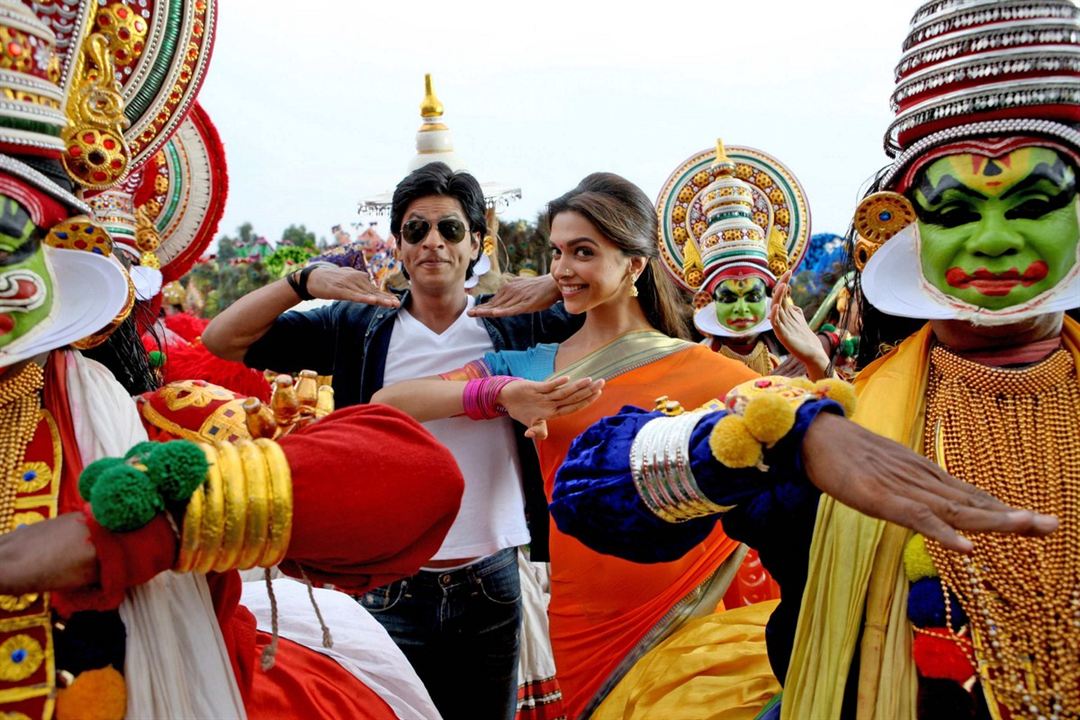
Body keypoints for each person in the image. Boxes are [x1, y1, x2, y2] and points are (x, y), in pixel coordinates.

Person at [542, 2, 1079, 718]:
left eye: (1034, 202)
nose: (993, 240)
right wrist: (788, 435)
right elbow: (585, 494)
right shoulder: (834, 418)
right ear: (904, 225)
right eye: (954, 212)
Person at [374, 172, 807, 716]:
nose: (560, 269)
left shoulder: (707, 370)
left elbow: (803, 437)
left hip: (691, 607)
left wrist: (814, 364)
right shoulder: (532, 367)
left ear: (635, 265)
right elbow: (390, 403)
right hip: (581, 616)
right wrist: (501, 393)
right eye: (555, 253)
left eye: (582, 251)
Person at [203, 161, 577, 719]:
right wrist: (300, 282)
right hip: (389, 582)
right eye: (415, 229)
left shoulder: (515, 322)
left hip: (490, 578)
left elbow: (632, 296)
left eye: (450, 230)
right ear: (399, 246)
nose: (433, 243)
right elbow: (222, 339)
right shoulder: (358, 326)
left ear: (477, 243)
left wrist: (558, 280)